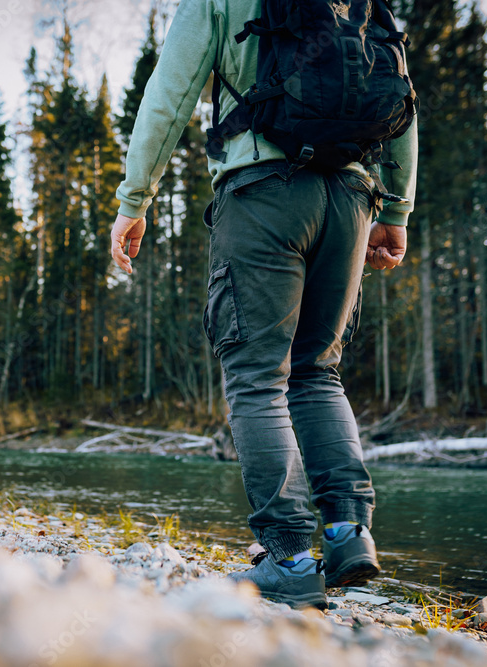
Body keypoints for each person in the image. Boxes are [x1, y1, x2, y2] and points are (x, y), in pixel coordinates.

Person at [110, 0, 417, 610]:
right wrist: (398, 209)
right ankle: (348, 532)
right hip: (352, 196)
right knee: (316, 372)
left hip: (262, 192)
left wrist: (134, 199)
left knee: (257, 376)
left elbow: (170, 93)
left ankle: (290, 559)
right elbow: (403, 97)